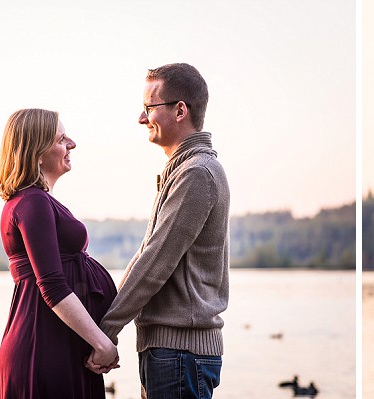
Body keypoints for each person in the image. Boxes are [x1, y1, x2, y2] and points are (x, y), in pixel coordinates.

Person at [97, 63, 231, 399]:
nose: (142, 119)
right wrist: (102, 327)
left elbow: (155, 263)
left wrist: (106, 331)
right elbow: (147, 256)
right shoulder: (183, 170)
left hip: (181, 355)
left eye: (149, 108)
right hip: (170, 352)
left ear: (180, 110)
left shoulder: (197, 174)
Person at [0, 108, 120, 398]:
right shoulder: (32, 202)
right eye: (62, 138)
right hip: (44, 348)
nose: (72, 144)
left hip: (56, 344)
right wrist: (101, 344)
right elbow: (51, 285)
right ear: (37, 152)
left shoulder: (33, 201)